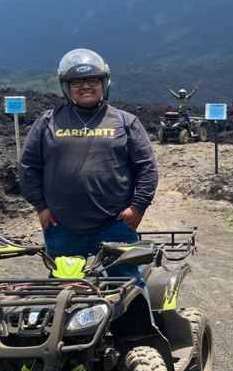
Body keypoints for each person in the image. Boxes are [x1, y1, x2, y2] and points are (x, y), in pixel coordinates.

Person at [20, 48, 158, 284]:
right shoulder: (47, 122)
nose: (86, 86)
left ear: (104, 83)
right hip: (62, 226)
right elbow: (28, 167)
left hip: (114, 225)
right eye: (77, 82)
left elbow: (146, 168)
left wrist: (138, 207)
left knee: (126, 284)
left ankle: (141, 323)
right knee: (63, 290)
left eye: (93, 80)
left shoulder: (125, 121)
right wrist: (41, 206)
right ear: (66, 87)